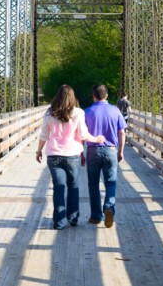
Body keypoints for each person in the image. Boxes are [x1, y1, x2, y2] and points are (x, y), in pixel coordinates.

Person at [36, 84, 105, 230]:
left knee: (58, 188)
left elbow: (44, 135)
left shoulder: (49, 113)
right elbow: (83, 135)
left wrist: (39, 150)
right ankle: (73, 218)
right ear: (72, 97)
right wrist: (97, 139)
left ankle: (59, 222)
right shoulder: (78, 113)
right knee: (73, 186)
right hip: (72, 155)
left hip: (54, 156)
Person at [83, 84, 126, 228]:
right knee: (111, 182)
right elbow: (122, 133)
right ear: (106, 95)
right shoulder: (115, 111)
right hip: (111, 150)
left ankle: (96, 217)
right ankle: (109, 207)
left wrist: (80, 153)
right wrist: (121, 151)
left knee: (93, 184)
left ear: (93, 96)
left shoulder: (87, 112)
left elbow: (82, 135)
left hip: (92, 151)